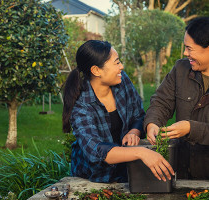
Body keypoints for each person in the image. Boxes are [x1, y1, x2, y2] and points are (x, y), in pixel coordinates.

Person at [62, 40, 174, 183]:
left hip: (127, 174)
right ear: (96, 70)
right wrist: (142, 153)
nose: (121, 66)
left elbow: (139, 115)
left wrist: (134, 131)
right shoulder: (81, 106)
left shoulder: (122, 81)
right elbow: (96, 150)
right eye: (116, 63)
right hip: (93, 180)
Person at [144, 17, 209, 179]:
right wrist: (152, 123)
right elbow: (161, 101)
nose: (185, 53)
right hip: (182, 169)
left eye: (190, 48)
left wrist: (191, 128)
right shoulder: (181, 69)